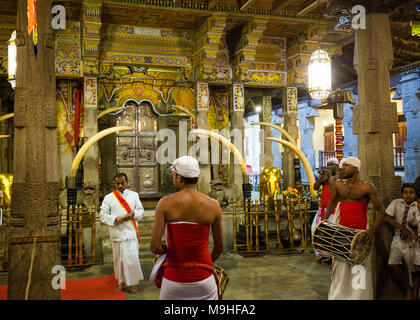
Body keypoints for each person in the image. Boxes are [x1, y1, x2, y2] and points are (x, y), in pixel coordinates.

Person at [150, 156, 224, 300]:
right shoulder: (213, 205)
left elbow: (154, 246)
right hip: (204, 279)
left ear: (179, 178)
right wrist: (203, 263)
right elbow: (219, 247)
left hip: (174, 279)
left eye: (173, 175)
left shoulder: (165, 203)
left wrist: (164, 251)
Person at [323, 156, 385, 300]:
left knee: (359, 266)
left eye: (346, 166)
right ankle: (340, 296)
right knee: (341, 266)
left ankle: (359, 297)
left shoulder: (367, 187)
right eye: (342, 165)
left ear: (355, 168)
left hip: (360, 231)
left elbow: (381, 210)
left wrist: (373, 230)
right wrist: (324, 223)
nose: (341, 168)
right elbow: (332, 203)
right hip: (342, 231)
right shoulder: (339, 185)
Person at [100, 173, 144, 293]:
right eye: (117, 183)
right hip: (117, 233)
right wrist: (115, 219)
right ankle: (122, 282)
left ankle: (133, 284)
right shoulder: (108, 198)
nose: (120, 185)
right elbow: (102, 216)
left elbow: (141, 211)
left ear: (127, 182)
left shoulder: (134, 195)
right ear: (115, 183)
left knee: (131, 259)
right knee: (119, 260)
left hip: (130, 233)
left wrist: (133, 214)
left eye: (122, 183)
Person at [384, 183, 419, 299]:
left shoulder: (417, 206)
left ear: (415, 194)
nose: (408, 195)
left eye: (411, 193)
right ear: (401, 193)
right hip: (398, 238)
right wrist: (401, 227)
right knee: (392, 263)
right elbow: (387, 217)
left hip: (413, 241)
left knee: (414, 268)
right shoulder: (396, 203)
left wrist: (414, 232)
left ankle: (414, 293)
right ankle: (407, 287)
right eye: (405, 192)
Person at [311, 157, 339, 264]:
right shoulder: (325, 177)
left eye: (332, 164)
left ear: (337, 166)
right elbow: (315, 187)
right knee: (316, 229)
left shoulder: (338, 177)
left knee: (331, 233)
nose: (330, 166)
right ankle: (322, 254)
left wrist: (330, 176)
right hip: (322, 209)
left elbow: (334, 188)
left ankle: (332, 256)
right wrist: (321, 177)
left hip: (334, 209)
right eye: (328, 164)